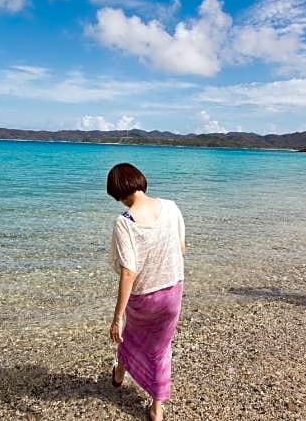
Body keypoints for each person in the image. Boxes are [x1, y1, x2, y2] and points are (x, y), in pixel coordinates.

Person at [106, 163, 186, 421]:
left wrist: (117, 316)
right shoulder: (172, 207)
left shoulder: (125, 222)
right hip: (173, 291)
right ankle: (156, 408)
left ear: (118, 192)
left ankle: (120, 372)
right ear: (140, 181)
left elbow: (129, 271)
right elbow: (182, 248)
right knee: (161, 349)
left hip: (145, 297)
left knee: (129, 335)